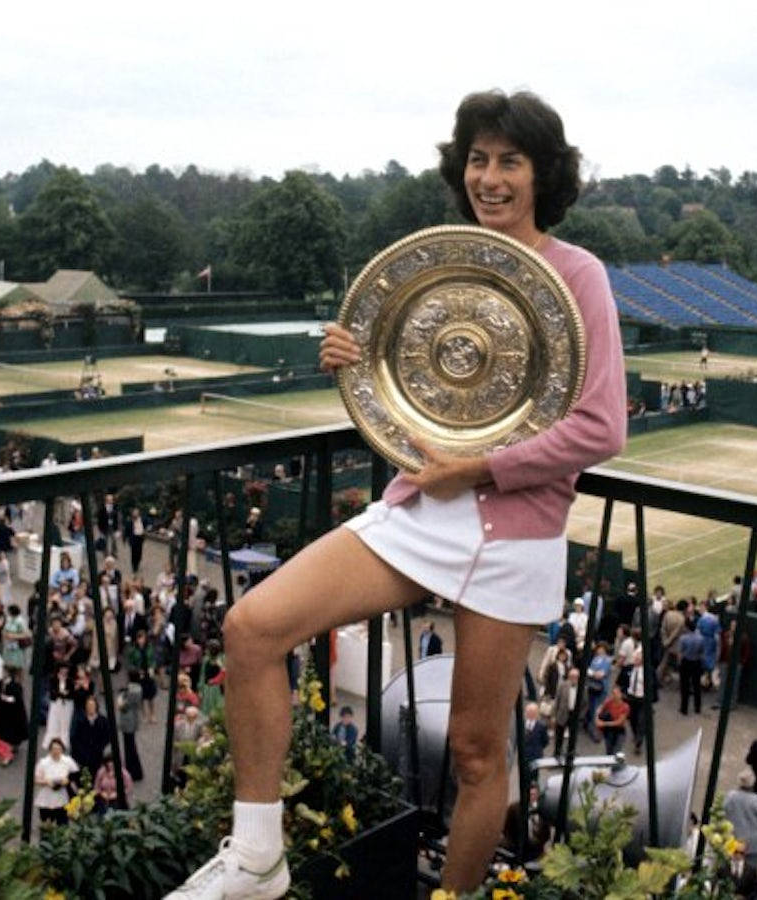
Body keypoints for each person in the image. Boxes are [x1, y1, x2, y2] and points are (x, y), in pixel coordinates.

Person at [167, 87, 627, 900]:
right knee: (250, 628)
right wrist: (357, 352)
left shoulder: (578, 273)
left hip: (516, 535)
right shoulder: (440, 258)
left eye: (510, 162)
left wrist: (479, 470)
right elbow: (402, 386)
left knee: (480, 756)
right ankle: (257, 857)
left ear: (542, 173)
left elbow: (601, 429)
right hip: (419, 514)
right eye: (478, 160)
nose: (490, 178)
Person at [724, 767, 757, 874]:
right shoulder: (755, 800)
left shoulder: (730, 796)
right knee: (749, 871)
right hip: (752, 843)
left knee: (731, 869)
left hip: (733, 840)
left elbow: (723, 811)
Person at [34, 738, 79, 827]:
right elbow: (36, 779)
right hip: (47, 798)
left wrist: (67, 780)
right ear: (50, 750)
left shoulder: (68, 761)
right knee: (46, 825)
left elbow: (76, 774)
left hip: (62, 797)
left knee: (63, 825)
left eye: (58, 748)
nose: (56, 751)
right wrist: (46, 782)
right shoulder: (43, 762)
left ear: (62, 749)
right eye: (54, 749)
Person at [679, 618, 704, 715]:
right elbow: (702, 651)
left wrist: (679, 663)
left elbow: (680, 652)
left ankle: (684, 708)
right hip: (696, 662)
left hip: (686, 662)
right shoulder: (700, 638)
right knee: (696, 685)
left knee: (684, 686)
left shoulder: (683, 638)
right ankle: (697, 707)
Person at [595, 684, 630, 755]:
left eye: (616, 693)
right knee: (609, 750)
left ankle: (617, 765)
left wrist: (603, 723)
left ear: (621, 695)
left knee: (616, 751)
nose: (614, 696)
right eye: (613, 693)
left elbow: (619, 722)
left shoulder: (625, 707)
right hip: (609, 731)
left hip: (619, 731)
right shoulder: (609, 702)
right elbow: (600, 709)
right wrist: (597, 718)